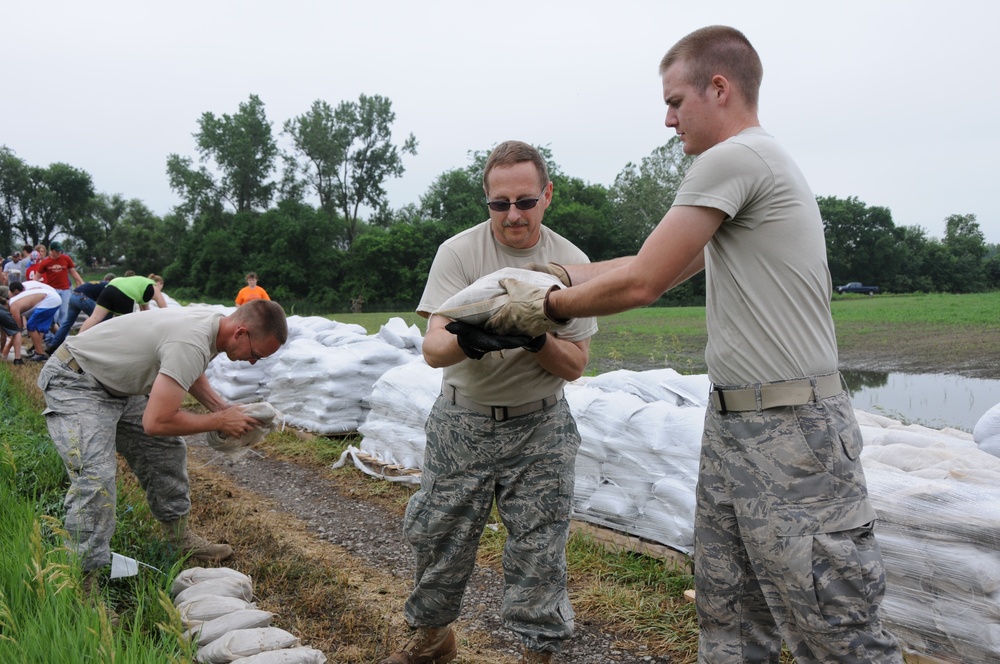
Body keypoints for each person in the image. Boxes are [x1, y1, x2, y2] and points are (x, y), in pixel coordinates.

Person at [489, 27, 902, 663]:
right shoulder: (745, 173)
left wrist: (537, 308)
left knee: (834, 625)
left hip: (792, 432)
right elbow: (656, 261)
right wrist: (561, 276)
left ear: (720, 87)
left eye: (677, 101)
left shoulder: (736, 158)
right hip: (740, 422)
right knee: (730, 608)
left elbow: (645, 282)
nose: (668, 118)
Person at [381, 141, 597, 664]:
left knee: (539, 549)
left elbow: (575, 365)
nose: (513, 215)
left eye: (525, 201)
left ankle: (536, 655)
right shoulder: (459, 253)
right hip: (464, 421)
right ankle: (433, 642)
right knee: (437, 534)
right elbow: (434, 349)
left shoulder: (573, 262)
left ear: (547, 195)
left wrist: (534, 336)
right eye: (500, 204)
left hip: (540, 428)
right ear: (487, 202)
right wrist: (472, 337)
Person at [37, 299, 288, 598]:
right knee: (95, 480)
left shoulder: (213, 327)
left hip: (116, 386)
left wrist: (220, 407)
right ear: (241, 333)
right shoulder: (192, 340)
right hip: (76, 380)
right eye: (256, 354)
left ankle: (177, 536)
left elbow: (186, 370)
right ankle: (81, 585)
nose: (252, 362)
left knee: (166, 451)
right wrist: (219, 419)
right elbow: (156, 421)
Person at [45, 273, 116, 354]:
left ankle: (53, 346)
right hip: (83, 298)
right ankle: (95, 345)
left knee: (67, 323)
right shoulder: (110, 286)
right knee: (99, 320)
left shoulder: (99, 283)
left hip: (73, 296)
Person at [78, 273, 167, 333]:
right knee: (127, 326)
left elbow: (145, 312)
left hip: (109, 288)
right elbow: (165, 311)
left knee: (95, 317)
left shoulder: (143, 285)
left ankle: (77, 340)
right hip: (124, 293)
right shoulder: (154, 288)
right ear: (159, 283)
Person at [7, 280, 62, 362]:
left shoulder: (14, 304)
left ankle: (40, 353)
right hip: (49, 298)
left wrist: (7, 348)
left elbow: (17, 330)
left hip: (50, 298)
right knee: (40, 326)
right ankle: (39, 351)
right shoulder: (12, 294)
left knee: (31, 325)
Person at [35, 240, 85, 329]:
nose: (59, 253)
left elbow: (73, 272)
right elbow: (37, 276)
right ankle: (51, 336)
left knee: (64, 312)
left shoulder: (66, 258)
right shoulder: (45, 262)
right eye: (57, 251)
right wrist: (33, 286)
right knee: (54, 313)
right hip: (53, 290)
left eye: (60, 251)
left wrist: (81, 282)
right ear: (52, 250)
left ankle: (63, 335)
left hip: (65, 289)